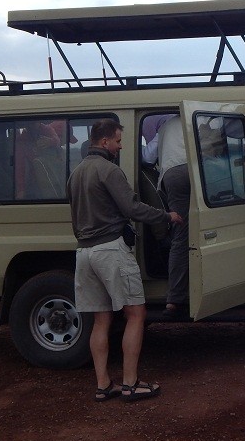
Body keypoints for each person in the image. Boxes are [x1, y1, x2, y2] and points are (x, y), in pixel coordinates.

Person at [68, 119, 183, 403]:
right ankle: (131, 383)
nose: (121, 147)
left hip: (84, 252)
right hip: (110, 250)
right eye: (118, 141)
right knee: (136, 314)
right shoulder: (109, 170)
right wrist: (165, 216)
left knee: (101, 320)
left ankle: (103, 384)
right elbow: (131, 207)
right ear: (105, 142)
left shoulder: (76, 173)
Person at [145, 115, 189, 318]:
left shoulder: (165, 126)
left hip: (173, 174)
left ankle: (174, 299)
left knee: (181, 236)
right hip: (203, 171)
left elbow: (147, 157)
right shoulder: (204, 116)